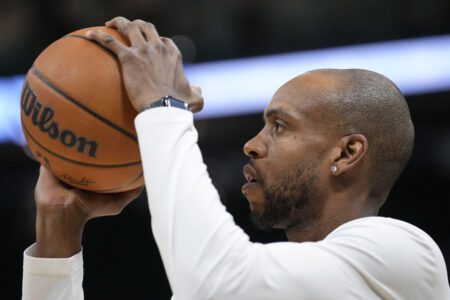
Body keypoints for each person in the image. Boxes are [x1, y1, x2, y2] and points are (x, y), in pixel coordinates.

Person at [22, 17, 449, 300]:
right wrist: (57, 239)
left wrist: (162, 109)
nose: (252, 144)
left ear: (347, 152)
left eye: (279, 126)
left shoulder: (405, 255)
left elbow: (217, 283)